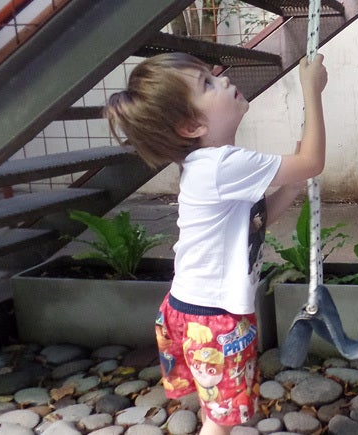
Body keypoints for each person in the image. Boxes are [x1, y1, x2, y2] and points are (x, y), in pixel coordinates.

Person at [105, 51, 328, 435]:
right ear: (191, 125)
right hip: (215, 319)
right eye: (207, 83)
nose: (222, 79)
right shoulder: (224, 165)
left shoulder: (208, 165)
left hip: (187, 310)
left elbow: (253, 224)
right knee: (221, 424)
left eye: (212, 74)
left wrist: (291, 187)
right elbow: (312, 161)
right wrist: (312, 89)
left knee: (216, 411)